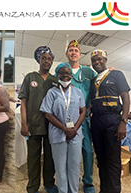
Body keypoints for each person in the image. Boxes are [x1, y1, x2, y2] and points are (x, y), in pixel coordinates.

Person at [54, 40, 96, 193]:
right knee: (67, 151)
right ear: (67, 54)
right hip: (65, 118)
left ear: (79, 54)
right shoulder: (61, 69)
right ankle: (72, 178)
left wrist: (110, 71)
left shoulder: (88, 72)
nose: (73, 53)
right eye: (70, 50)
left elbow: (99, 82)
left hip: (83, 117)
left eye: (76, 51)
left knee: (87, 151)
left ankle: (88, 181)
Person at [40, 65, 86, 193]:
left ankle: (73, 191)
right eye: (62, 73)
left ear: (72, 76)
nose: (65, 75)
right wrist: (65, 130)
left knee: (74, 166)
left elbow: (83, 111)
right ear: (58, 75)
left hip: (75, 134)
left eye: (68, 73)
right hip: (58, 134)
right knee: (60, 167)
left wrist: (74, 129)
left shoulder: (78, 92)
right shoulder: (52, 92)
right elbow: (47, 114)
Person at [89, 50, 130, 193]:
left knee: (113, 160)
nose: (97, 62)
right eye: (94, 60)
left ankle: (114, 190)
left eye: (99, 59)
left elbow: (125, 98)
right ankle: (104, 189)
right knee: (101, 159)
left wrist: (123, 122)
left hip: (113, 120)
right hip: (97, 121)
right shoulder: (93, 80)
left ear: (105, 60)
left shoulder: (116, 74)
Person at [19, 46, 58, 193]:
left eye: (49, 59)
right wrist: (24, 124)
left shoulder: (55, 80)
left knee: (50, 158)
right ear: (39, 60)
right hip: (33, 126)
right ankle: (32, 187)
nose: (47, 61)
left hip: (52, 127)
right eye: (44, 58)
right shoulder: (30, 77)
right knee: (33, 159)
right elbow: (23, 101)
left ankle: (49, 184)